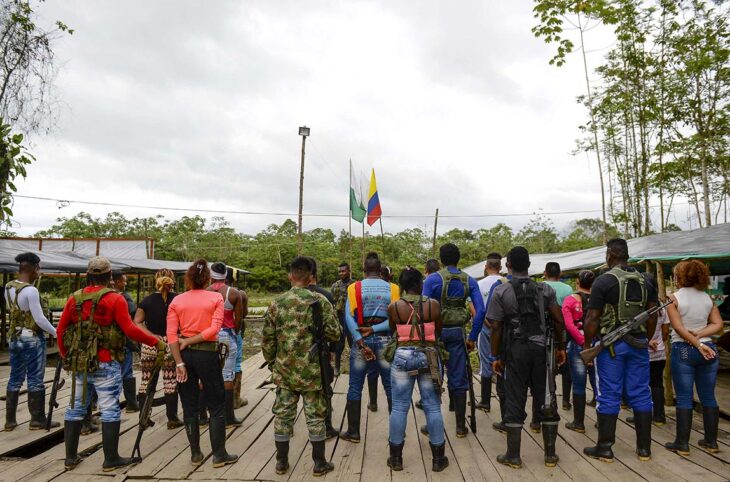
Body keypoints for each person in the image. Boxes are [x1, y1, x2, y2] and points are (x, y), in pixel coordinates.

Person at [58, 256, 164, 471]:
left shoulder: (74, 298)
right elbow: (129, 330)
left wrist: (65, 355)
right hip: (107, 362)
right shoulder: (115, 299)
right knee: (109, 409)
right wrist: (156, 342)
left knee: (75, 407)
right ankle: (111, 459)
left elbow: (61, 330)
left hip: (80, 362)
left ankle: (70, 459)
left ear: (88, 276)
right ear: (109, 277)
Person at [262, 257, 341, 477]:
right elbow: (335, 333)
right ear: (310, 277)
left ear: (290, 276)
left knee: (283, 415)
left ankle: (281, 462)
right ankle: (319, 463)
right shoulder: (319, 301)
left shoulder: (276, 303)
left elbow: (267, 341)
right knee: (315, 416)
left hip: (285, 371)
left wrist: (273, 364)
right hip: (313, 371)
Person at [490, 247, 566, 469]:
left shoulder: (501, 292)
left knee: (515, 397)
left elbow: (495, 326)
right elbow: (559, 320)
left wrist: (496, 356)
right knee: (547, 395)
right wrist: (560, 347)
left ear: (508, 266)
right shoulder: (545, 289)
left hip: (515, 351)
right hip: (542, 350)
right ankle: (550, 455)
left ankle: (513, 456)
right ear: (530, 265)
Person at [582, 238, 658, 463]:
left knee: (609, 393)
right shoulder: (647, 280)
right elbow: (653, 315)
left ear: (610, 255)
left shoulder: (603, 281)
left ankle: (605, 448)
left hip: (611, 347)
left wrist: (587, 346)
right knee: (641, 392)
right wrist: (646, 339)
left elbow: (592, 318)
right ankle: (644, 449)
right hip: (639, 344)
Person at [168, 259, 238, 468]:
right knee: (216, 406)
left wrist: (179, 362)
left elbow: (171, 335)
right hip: (207, 355)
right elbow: (214, 330)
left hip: (184, 357)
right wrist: (191, 340)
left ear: (188, 279)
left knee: (189, 407)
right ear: (207, 278)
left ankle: (196, 453)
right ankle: (219, 455)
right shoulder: (215, 298)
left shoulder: (177, 301)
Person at [386, 267, 448, 473]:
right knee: (432, 406)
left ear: (402, 286)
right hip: (428, 355)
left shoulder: (394, 307)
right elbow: (438, 330)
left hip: (403, 356)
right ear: (420, 284)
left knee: (399, 407)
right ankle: (438, 459)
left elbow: (393, 331)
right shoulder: (433, 305)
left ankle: (395, 458)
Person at [422, 243, 485, 438]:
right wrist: (473, 337)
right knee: (458, 377)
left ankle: (432, 423)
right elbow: (481, 311)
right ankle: (460, 426)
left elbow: (424, 309)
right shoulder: (469, 280)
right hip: (458, 333)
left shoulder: (432, 280)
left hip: (435, 334)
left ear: (441, 259)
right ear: (458, 259)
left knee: (433, 375)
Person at [664, 260, 723, 455]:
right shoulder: (708, 298)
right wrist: (701, 336)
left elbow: (679, 328)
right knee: (708, 396)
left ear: (679, 277)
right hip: (709, 349)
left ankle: (682, 443)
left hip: (684, 350)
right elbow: (718, 324)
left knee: (684, 397)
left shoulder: (673, 298)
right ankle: (711, 442)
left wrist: (694, 340)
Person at [340, 252, 399, 443]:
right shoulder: (393, 289)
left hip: (361, 344)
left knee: (355, 386)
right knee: (390, 387)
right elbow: (395, 320)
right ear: (380, 270)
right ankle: (396, 432)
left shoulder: (354, 287)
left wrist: (359, 340)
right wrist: (374, 328)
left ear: (364, 269)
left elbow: (348, 317)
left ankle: (354, 432)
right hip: (385, 341)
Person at [4, 252, 59, 431]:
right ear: (35, 268)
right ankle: (37, 420)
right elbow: (40, 319)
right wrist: (57, 333)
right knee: (35, 379)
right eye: (39, 268)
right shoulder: (31, 290)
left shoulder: (8, 287)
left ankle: (10, 421)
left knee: (15, 378)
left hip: (14, 337)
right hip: (31, 338)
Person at [134, 268, 182, 429]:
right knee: (170, 381)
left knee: (146, 381)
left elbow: (137, 322)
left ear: (156, 280)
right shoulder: (179, 299)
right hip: (171, 344)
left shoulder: (147, 300)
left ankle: (144, 417)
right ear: (172, 280)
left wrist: (152, 336)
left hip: (150, 344)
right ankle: (172, 418)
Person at [207, 262, 244, 428]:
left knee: (205, 376)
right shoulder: (233, 293)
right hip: (227, 336)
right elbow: (239, 320)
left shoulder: (204, 292)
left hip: (207, 337)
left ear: (210, 275)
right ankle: (229, 417)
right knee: (227, 375)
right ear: (226, 276)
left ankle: (203, 415)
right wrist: (233, 333)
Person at [306, 257, 338, 439]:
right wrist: (333, 349)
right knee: (325, 388)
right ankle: (327, 426)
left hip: (292, 354)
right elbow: (334, 329)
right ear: (314, 274)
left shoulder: (287, 298)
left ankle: (287, 429)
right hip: (320, 351)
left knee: (291, 394)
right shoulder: (325, 296)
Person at [563, 270, 597, 433]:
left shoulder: (570, 300)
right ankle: (602, 420)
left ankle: (579, 422)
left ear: (577, 282)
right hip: (598, 345)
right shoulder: (599, 299)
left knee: (579, 384)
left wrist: (583, 342)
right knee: (599, 383)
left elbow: (569, 325)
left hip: (578, 346)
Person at [626, 303, 669, 426]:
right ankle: (659, 416)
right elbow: (665, 332)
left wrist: (648, 340)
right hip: (659, 352)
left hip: (642, 351)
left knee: (640, 384)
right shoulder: (663, 308)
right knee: (657, 384)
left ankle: (640, 415)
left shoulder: (640, 308)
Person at [476, 252, 505, 412]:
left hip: (486, 326)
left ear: (486, 267)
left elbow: (478, 309)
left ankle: (485, 401)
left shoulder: (479, 285)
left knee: (486, 361)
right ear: (500, 267)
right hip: (502, 327)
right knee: (501, 358)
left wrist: (487, 324)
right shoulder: (505, 282)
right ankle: (504, 399)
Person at [543, 262, 573, 412]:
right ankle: (566, 401)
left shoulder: (541, 287)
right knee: (565, 366)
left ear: (545, 273)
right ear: (559, 274)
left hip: (545, 332)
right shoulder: (568, 289)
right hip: (563, 332)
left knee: (548, 365)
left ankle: (550, 394)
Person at [112, 271, 140, 413]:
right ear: (117, 282)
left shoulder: (103, 296)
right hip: (123, 341)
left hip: (108, 343)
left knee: (108, 373)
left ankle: (106, 404)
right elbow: (133, 312)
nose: (126, 283)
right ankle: (131, 403)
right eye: (124, 281)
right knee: (126, 373)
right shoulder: (124, 298)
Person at [330, 262, 355, 377]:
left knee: (353, 343)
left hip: (352, 318)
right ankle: (337, 368)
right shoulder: (335, 285)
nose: (341, 273)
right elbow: (332, 302)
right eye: (339, 271)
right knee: (338, 344)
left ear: (349, 271)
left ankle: (354, 369)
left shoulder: (354, 285)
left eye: (343, 271)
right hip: (339, 317)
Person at [230, 268, 249, 409]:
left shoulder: (213, 291)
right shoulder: (241, 294)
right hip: (235, 332)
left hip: (216, 334)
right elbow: (244, 314)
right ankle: (235, 399)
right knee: (236, 364)